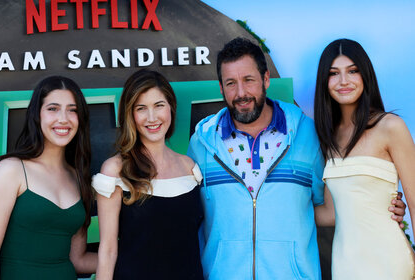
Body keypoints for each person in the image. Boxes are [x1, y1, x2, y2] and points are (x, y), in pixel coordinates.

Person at [187, 37, 407, 280]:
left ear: (266, 79)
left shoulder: (309, 135)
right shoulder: (201, 144)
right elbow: (185, 213)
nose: (241, 93)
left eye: (249, 80)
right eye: (231, 83)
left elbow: (334, 206)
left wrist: (380, 204)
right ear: (220, 87)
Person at [314, 38, 415, 279]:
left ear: (365, 75)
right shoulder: (329, 138)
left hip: (389, 262)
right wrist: (275, 205)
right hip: (345, 266)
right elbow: (331, 213)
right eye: (333, 73)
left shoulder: (390, 127)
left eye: (353, 71)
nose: (344, 81)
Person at [93, 69, 204, 280]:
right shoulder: (115, 170)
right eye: (141, 108)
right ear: (130, 114)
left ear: (171, 107)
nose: (151, 117)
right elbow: (107, 251)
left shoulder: (189, 167)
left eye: (159, 105)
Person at [0, 76, 97, 280]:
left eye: (72, 109)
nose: (63, 118)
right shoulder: (11, 170)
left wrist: (137, 257)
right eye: (53, 108)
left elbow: (78, 260)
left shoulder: (79, 178)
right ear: (37, 115)